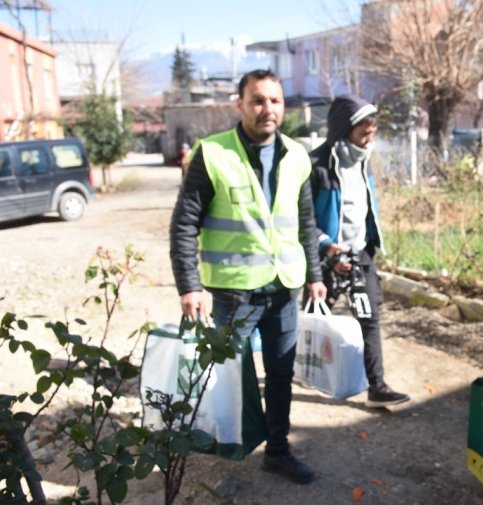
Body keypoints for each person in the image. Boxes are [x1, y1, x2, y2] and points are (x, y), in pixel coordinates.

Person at [169, 69, 326, 485]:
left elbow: (305, 222)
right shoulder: (213, 153)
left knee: (279, 372)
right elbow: (184, 223)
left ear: (283, 106)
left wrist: (314, 273)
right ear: (239, 105)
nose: (267, 109)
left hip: (284, 288)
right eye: (257, 100)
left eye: (274, 101)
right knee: (229, 374)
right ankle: (225, 444)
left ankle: (277, 451)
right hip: (233, 291)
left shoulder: (297, 156)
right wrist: (189, 285)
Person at [307, 95, 410, 408]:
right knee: (313, 318)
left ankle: (376, 386)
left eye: (373, 124)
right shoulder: (316, 166)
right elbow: (304, 220)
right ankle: (302, 367)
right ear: (344, 126)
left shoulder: (363, 161)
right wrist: (327, 248)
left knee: (370, 317)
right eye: (364, 125)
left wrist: (369, 243)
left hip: (359, 254)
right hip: (327, 255)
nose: (371, 130)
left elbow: (365, 208)